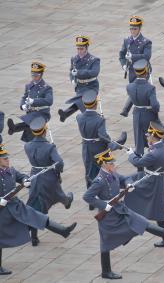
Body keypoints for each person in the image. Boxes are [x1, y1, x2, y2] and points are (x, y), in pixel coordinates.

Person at [83, 149, 164, 280]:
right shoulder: (99, 180)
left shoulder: (112, 173)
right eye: (111, 163)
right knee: (106, 242)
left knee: (140, 221)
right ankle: (106, 271)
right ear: (104, 164)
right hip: (108, 215)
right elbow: (87, 197)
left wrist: (128, 184)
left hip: (120, 209)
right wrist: (104, 205)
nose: (113, 165)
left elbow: (124, 178)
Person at [0, 145, 77, 275]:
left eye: (7, 157)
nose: (7, 160)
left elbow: (20, 176)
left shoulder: (10, 170)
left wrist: (25, 180)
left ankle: (62, 230)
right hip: (2, 210)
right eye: (4, 158)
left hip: (15, 205)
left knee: (37, 216)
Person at [124, 122, 164, 247]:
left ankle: (128, 233)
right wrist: (160, 167)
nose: (147, 137)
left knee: (133, 201)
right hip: (158, 180)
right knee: (159, 212)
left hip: (149, 182)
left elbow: (138, 163)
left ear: (153, 136)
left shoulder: (154, 153)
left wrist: (131, 154)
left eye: (148, 136)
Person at [24, 116, 74, 246]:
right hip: (48, 177)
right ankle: (67, 201)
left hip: (34, 176)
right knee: (54, 196)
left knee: (36, 206)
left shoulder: (27, 146)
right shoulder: (49, 147)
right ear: (45, 130)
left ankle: (34, 237)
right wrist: (53, 154)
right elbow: (59, 163)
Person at [76, 89, 127, 210]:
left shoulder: (79, 117)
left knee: (89, 172)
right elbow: (103, 136)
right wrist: (109, 139)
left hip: (86, 147)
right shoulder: (99, 119)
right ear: (96, 104)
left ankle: (91, 202)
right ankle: (118, 144)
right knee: (102, 171)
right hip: (98, 147)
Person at [58, 35, 100, 122]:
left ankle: (66, 114)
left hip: (91, 86)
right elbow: (71, 71)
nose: (79, 51)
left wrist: (79, 73)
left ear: (86, 47)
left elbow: (94, 72)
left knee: (82, 101)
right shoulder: (74, 59)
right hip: (80, 86)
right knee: (80, 102)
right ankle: (93, 118)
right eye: (78, 49)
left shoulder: (94, 60)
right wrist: (73, 79)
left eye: (82, 49)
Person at [7, 62, 53, 142]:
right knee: (29, 139)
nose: (34, 77)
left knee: (32, 121)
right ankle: (14, 128)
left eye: (36, 75)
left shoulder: (47, 88)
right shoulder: (28, 86)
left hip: (42, 113)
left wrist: (34, 101)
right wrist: (23, 106)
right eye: (32, 75)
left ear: (41, 75)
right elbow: (24, 97)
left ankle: (15, 128)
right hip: (30, 113)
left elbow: (49, 101)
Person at [119, 15, 153, 117]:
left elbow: (147, 56)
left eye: (135, 28)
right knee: (139, 90)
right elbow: (121, 55)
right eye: (131, 28)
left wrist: (133, 56)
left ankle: (126, 109)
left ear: (139, 28)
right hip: (132, 71)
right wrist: (124, 64)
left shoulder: (146, 42)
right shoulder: (127, 41)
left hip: (143, 70)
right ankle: (148, 104)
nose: (132, 30)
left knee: (135, 88)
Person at [125, 59, 160, 156]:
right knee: (154, 139)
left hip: (136, 114)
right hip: (148, 115)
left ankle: (139, 164)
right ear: (146, 72)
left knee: (138, 140)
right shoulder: (150, 88)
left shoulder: (129, 87)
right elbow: (155, 105)